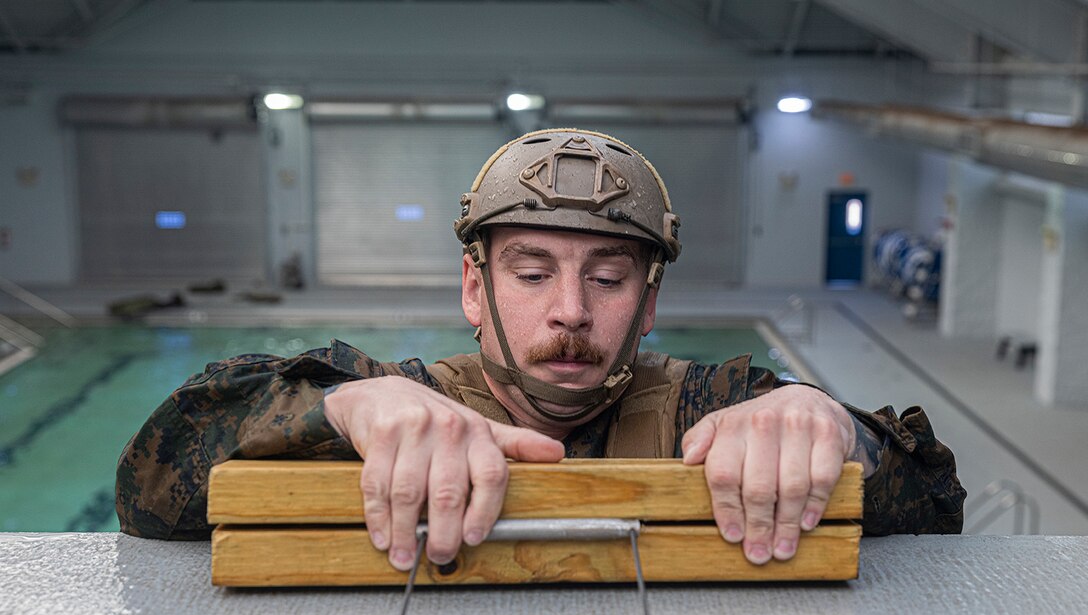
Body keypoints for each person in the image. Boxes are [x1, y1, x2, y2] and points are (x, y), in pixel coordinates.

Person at [116, 129, 965, 569]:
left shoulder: (712, 405)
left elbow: (934, 497)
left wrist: (827, 426)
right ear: (474, 289)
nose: (570, 312)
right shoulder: (401, 408)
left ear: (649, 301)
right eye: (531, 273)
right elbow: (148, 486)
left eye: (607, 278)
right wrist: (339, 405)